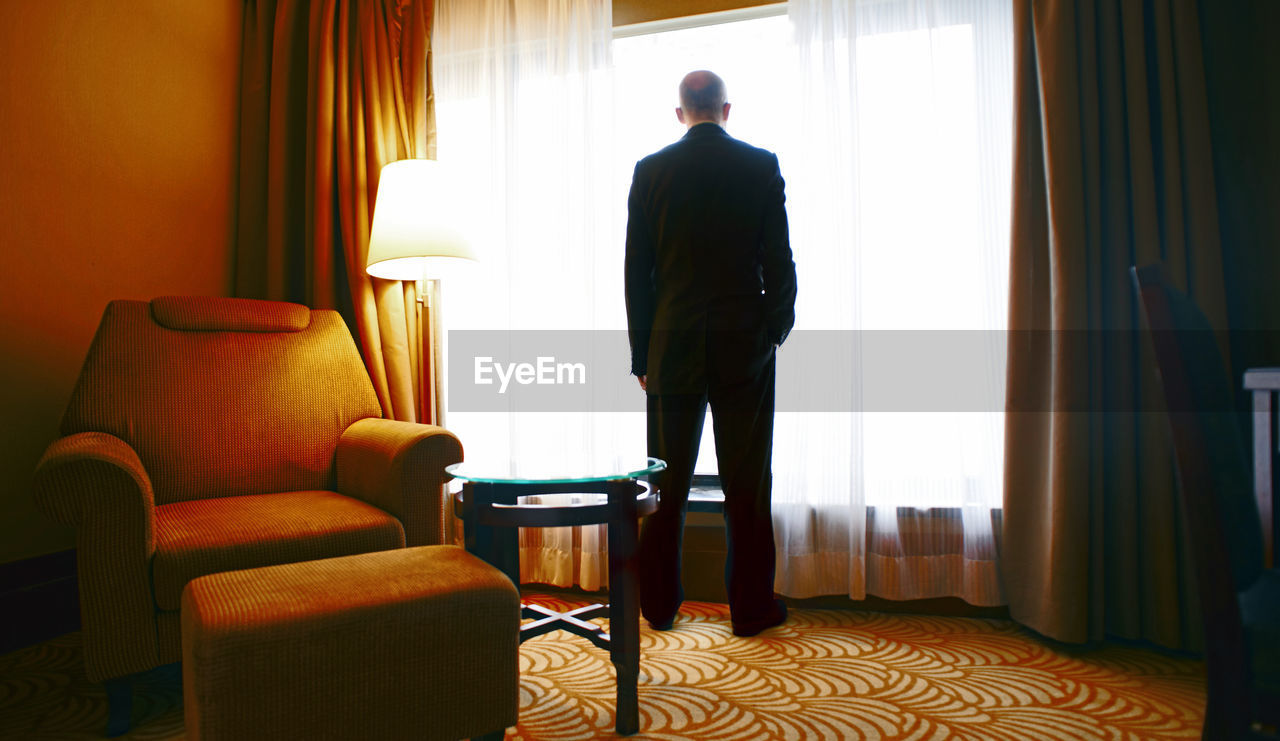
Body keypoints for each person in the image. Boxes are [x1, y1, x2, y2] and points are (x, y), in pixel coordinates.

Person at [624, 70, 797, 637]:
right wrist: (773, 331)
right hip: (743, 346)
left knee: (664, 488)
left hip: (670, 347)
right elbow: (781, 263)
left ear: (680, 114)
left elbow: (637, 276)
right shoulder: (760, 164)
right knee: (746, 485)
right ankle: (750, 609)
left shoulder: (650, 172)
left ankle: (658, 605)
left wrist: (641, 356)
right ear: (726, 109)